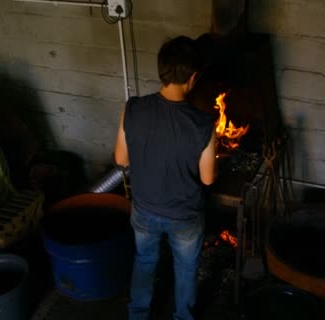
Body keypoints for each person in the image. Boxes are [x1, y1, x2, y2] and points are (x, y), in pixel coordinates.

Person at [114, 36, 217, 320]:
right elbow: (208, 180)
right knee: (185, 269)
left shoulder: (132, 108)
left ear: (162, 71)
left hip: (144, 208)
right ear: (193, 78)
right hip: (185, 216)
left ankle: (137, 314)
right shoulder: (204, 124)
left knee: (144, 261)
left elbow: (121, 160)